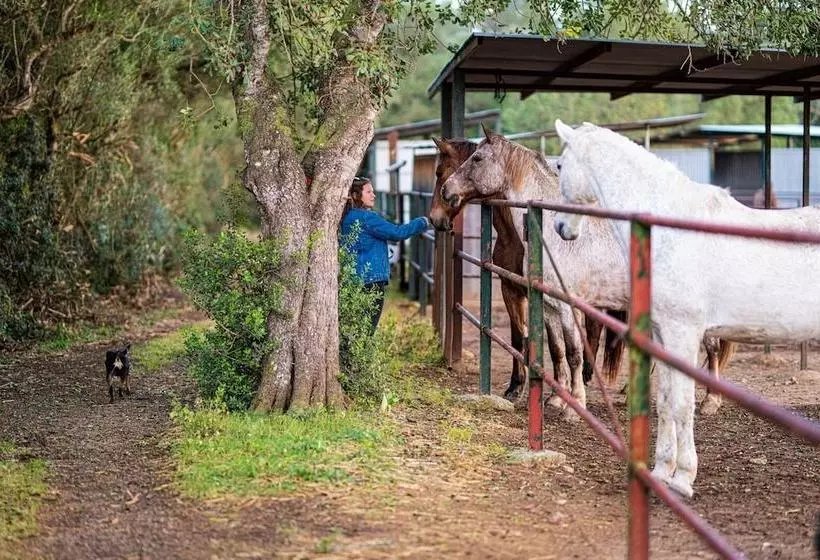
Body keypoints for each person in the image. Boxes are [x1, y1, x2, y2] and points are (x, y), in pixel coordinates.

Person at [340, 177, 430, 333]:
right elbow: (397, 233)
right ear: (355, 195)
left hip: (352, 278)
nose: (373, 195)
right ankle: (364, 357)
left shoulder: (345, 218)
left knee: (356, 326)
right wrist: (423, 222)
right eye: (368, 192)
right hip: (371, 279)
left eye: (373, 191)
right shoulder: (367, 218)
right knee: (368, 328)